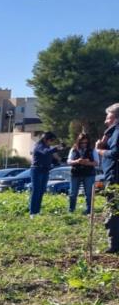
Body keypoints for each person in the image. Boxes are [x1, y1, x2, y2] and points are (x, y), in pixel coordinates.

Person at [98, 103, 119, 252]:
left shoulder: (117, 131)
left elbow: (115, 153)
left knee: (113, 209)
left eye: (108, 117)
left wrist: (100, 151)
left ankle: (114, 245)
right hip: (112, 175)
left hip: (115, 177)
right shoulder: (112, 132)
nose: (106, 121)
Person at [28, 131, 60, 217]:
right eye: (51, 140)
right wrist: (56, 148)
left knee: (41, 191)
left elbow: (49, 157)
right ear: (46, 139)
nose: (52, 142)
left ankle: (37, 211)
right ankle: (32, 212)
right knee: (36, 191)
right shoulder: (39, 146)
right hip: (37, 170)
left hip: (45, 170)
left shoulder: (47, 147)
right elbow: (45, 152)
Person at [67, 132, 98, 214]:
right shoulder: (73, 149)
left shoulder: (92, 150)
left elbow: (96, 162)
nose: (84, 144)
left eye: (86, 142)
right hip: (75, 173)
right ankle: (71, 210)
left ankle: (89, 211)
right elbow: (69, 161)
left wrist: (88, 163)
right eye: (82, 142)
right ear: (79, 141)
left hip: (89, 174)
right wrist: (77, 161)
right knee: (73, 193)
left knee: (89, 194)